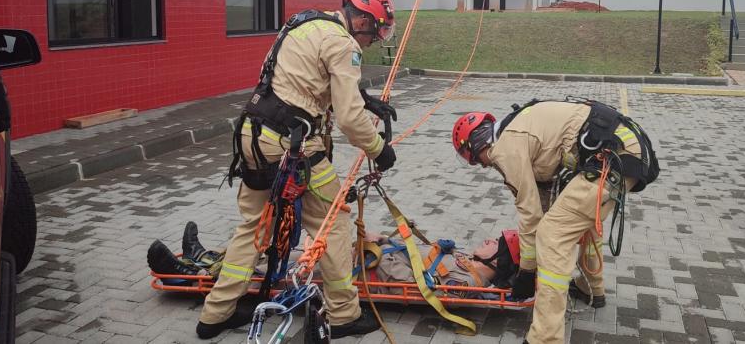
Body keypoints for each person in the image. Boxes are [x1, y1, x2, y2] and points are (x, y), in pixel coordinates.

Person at [195, 0, 399, 340]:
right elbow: (348, 119)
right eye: (374, 33)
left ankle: (215, 315)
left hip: (253, 135)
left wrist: (367, 100)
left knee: (255, 228)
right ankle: (345, 314)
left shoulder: (305, 23)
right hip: (293, 145)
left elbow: (303, 81)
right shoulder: (344, 43)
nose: (371, 42)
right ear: (363, 21)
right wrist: (379, 149)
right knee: (332, 223)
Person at [451, 98, 659, 344]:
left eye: (475, 160)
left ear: (475, 145)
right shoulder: (518, 129)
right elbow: (545, 194)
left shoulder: (506, 147)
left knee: (552, 235)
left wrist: (527, 272)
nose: (482, 166)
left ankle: (545, 337)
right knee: (578, 221)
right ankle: (591, 287)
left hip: (613, 155)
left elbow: (530, 213)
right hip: (625, 148)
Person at [148, 222, 522, 299]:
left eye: (496, 243)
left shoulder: (468, 283)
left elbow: (413, 280)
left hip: (357, 268)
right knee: (275, 248)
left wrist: (363, 248)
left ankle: (184, 273)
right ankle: (206, 257)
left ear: (501, 261)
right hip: (362, 258)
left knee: (274, 265)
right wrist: (380, 239)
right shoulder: (463, 263)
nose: (488, 239)